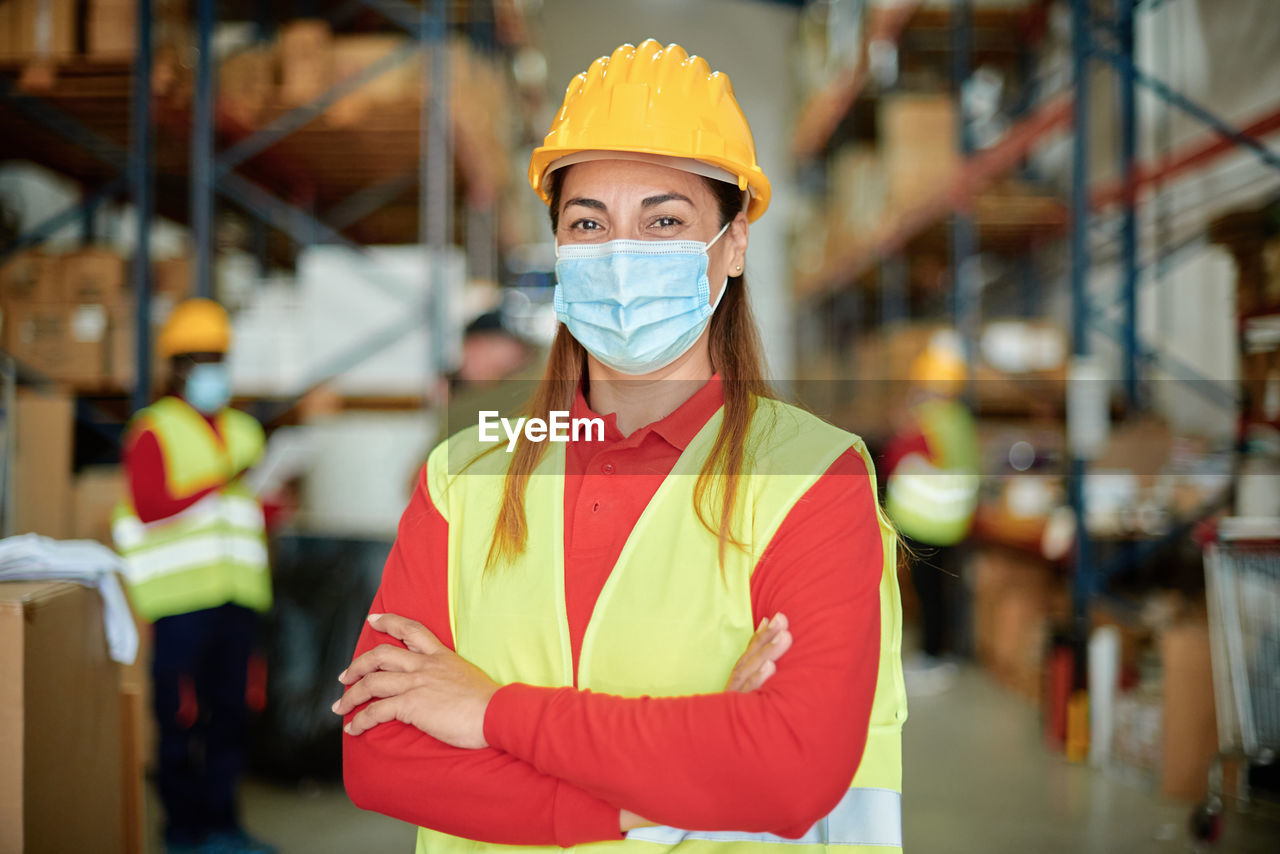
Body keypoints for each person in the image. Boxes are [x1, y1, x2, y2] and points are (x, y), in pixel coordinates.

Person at [334, 40, 906, 853]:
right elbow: (381, 758)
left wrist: (487, 712)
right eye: (588, 222)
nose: (621, 255)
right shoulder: (461, 481)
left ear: (734, 243)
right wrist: (664, 794)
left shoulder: (815, 479)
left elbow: (791, 771)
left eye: (665, 221)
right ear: (560, 252)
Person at [112, 298, 276, 854]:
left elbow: (247, 507)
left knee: (231, 717)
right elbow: (150, 506)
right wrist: (222, 479)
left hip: (238, 597)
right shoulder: (153, 430)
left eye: (219, 358)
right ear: (178, 369)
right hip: (181, 603)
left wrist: (269, 505)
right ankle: (183, 833)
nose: (214, 370)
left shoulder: (245, 429)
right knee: (181, 721)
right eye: (202, 359)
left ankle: (224, 827)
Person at [883, 330, 981, 694]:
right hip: (952, 520)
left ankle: (933, 656)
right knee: (941, 591)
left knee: (928, 593)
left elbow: (896, 457)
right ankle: (941, 653)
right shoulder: (957, 418)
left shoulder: (926, 419)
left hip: (927, 520)